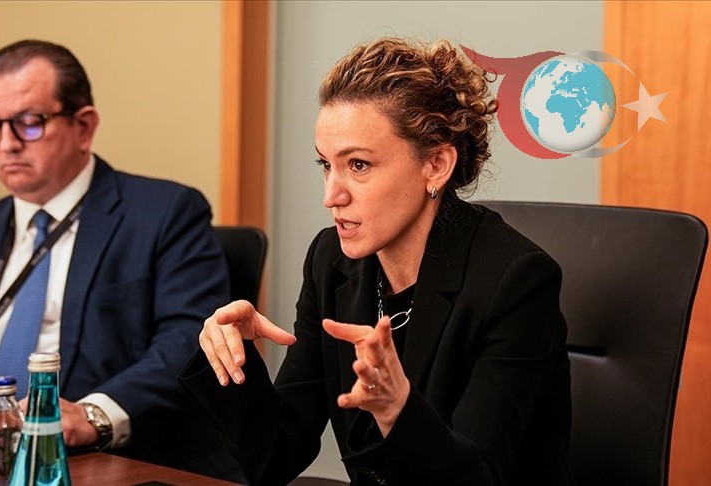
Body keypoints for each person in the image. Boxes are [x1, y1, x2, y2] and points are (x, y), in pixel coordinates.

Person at [181, 38, 575, 485]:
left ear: (436, 165)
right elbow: (278, 457)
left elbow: (477, 477)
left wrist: (396, 411)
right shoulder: (331, 260)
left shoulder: (516, 281)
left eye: (359, 165)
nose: (332, 195)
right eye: (326, 165)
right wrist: (234, 361)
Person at [0, 39, 242, 481]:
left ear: (84, 126)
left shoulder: (164, 215)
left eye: (28, 123)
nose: (7, 144)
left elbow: (190, 340)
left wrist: (93, 415)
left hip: (81, 459)